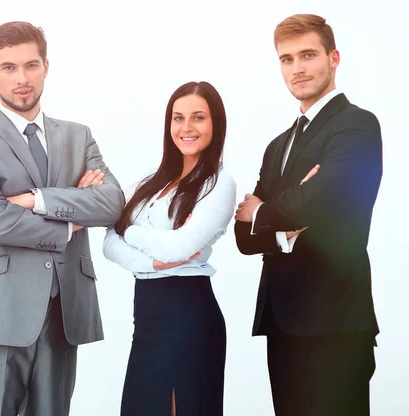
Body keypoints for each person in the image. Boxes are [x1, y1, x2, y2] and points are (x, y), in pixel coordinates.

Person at [0, 21, 124, 416]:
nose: (22, 78)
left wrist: (34, 199)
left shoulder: (79, 135)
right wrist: (73, 215)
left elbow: (112, 203)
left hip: (64, 310)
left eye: (31, 65)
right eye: (9, 68)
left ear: (46, 66)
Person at [234, 14, 382, 416]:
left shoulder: (357, 125)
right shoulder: (277, 145)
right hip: (281, 321)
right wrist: (284, 225)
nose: (297, 68)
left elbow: (327, 199)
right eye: (286, 59)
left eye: (308, 55)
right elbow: (245, 237)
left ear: (333, 58)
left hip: (335, 320)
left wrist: (265, 209)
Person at [103, 81, 236, 415]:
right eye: (178, 118)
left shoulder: (218, 184)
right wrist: (152, 262)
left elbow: (180, 246)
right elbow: (107, 243)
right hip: (147, 320)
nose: (186, 127)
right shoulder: (150, 182)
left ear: (215, 124)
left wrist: (129, 231)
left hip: (187, 316)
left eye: (198, 117)